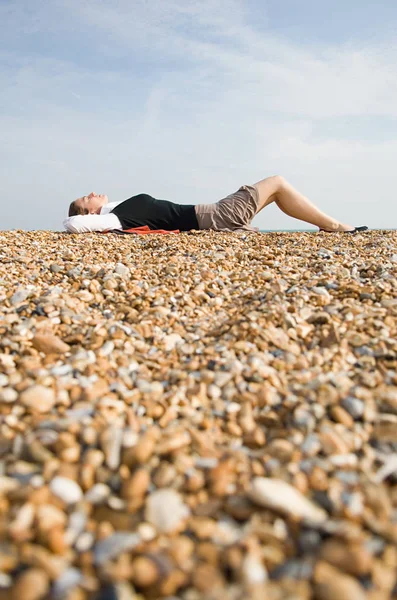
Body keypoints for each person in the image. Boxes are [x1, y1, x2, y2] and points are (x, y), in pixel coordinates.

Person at [63, 175, 368, 234]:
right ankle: (334, 226)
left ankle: (331, 225)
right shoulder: (113, 217)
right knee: (276, 183)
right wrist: (76, 219)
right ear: (90, 210)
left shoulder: (117, 211)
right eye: (86, 198)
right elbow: (75, 224)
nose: (92, 192)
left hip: (210, 215)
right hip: (213, 217)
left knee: (268, 191)